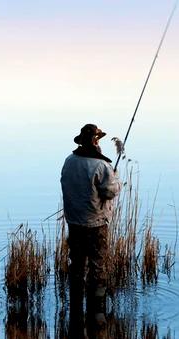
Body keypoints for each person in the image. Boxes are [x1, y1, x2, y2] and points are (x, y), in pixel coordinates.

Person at [60, 124, 121, 318]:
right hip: (96, 224)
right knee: (98, 264)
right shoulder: (101, 166)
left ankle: (76, 303)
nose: (99, 144)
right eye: (98, 140)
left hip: (74, 222)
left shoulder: (69, 161)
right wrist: (115, 179)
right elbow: (109, 192)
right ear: (95, 142)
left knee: (77, 262)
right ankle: (97, 309)